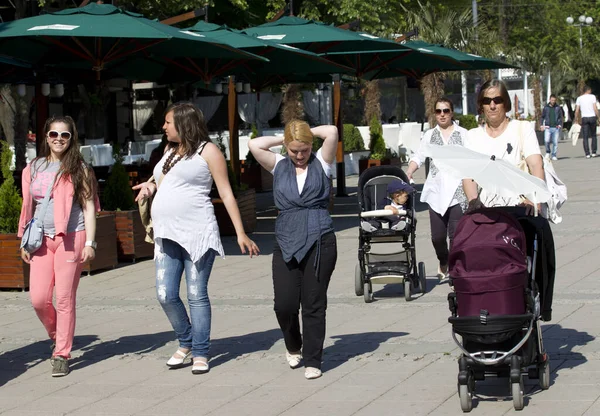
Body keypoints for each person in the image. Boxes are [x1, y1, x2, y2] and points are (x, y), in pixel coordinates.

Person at [133, 102, 259, 375]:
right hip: (166, 234)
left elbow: (226, 193)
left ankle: (200, 351)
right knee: (165, 294)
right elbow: (166, 182)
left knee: (195, 294)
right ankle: (186, 341)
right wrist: (149, 186)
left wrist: (240, 232)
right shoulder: (168, 150)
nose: (163, 127)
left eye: (168, 122)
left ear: (183, 124)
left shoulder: (209, 151)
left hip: (198, 234)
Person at [248, 121, 338, 380]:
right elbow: (254, 144)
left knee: (313, 304)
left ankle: (313, 359)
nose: (300, 156)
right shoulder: (278, 165)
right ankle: (292, 344)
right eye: (294, 150)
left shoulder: (322, 161)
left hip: (320, 239)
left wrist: (304, 133)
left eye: (305, 150)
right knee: (284, 305)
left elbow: (331, 131)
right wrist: (285, 138)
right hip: (286, 239)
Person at [18, 116, 99, 377]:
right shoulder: (33, 168)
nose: (59, 139)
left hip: (72, 238)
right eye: (54, 134)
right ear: (46, 136)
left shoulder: (80, 168)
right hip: (41, 240)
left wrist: (90, 242)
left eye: (65, 135)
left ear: (71, 138)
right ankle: (57, 335)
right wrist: (24, 241)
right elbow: (28, 207)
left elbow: (88, 207)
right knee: (39, 299)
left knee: (64, 298)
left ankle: (62, 353)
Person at [405, 98, 468, 279]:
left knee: (456, 237)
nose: (442, 114)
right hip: (436, 192)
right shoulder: (430, 135)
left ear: (451, 113)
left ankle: (456, 275)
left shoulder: (463, 134)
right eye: (439, 111)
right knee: (437, 238)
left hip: (458, 192)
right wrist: (409, 171)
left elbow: (474, 157)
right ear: (435, 113)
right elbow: (418, 155)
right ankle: (444, 260)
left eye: (446, 111)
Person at [462, 79, 544, 214]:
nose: (492, 105)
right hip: (486, 214)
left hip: (519, 209)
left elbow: (536, 165)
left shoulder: (522, 129)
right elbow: (468, 175)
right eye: (487, 101)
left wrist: (534, 199)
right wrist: (473, 200)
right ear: (481, 106)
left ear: (505, 103)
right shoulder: (473, 136)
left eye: (497, 100)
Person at [574, 85, 600, 158]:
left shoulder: (579, 98)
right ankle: (594, 152)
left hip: (584, 118)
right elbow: (595, 108)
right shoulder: (592, 97)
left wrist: (576, 119)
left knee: (585, 137)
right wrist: (598, 117)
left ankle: (587, 153)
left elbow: (577, 110)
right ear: (588, 90)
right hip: (592, 117)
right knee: (593, 135)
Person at [541, 94, 564, 161]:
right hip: (548, 127)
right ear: (549, 100)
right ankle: (548, 152)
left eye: (554, 100)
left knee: (555, 142)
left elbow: (560, 117)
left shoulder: (558, 107)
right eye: (552, 100)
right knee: (546, 140)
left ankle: (554, 155)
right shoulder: (546, 108)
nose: (553, 101)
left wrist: (560, 125)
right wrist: (542, 125)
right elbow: (542, 117)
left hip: (556, 127)